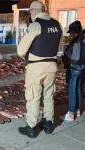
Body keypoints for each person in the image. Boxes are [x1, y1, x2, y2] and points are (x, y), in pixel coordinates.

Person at [17, 1, 63, 138]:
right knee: (49, 95)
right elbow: (59, 47)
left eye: (30, 11)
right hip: (52, 65)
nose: (30, 14)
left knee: (33, 96)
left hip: (36, 67)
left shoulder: (36, 25)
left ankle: (31, 127)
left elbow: (20, 50)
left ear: (35, 11)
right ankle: (48, 124)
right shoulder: (57, 24)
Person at [62, 21, 85, 121]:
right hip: (83, 68)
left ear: (74, 31)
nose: (70, 34)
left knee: (72, 90)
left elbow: (74, 58)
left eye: (70, 31)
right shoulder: (83, 39)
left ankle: (71, 113)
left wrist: (66, 55)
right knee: (79, 88)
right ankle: (78, 110)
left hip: (75, 68)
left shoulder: (75, 42)